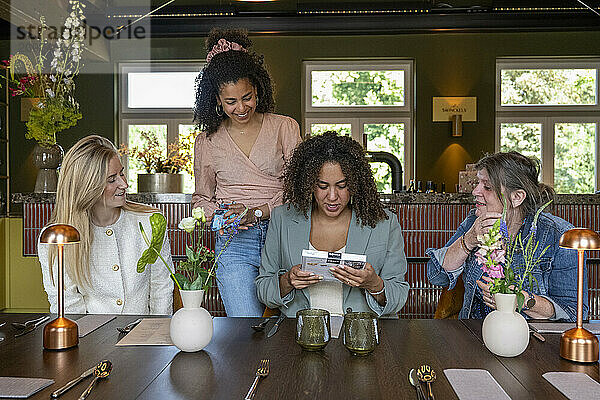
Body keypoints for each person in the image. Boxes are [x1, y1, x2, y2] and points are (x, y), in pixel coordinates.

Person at [192, 28, 301, 317]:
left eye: (247, 97)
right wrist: (219, 216)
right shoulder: (207, 141)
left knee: (292, 327)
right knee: (244, 328)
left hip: (284, 236)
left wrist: (258, 212)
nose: (241, 107)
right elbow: (202, 199)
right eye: (230, 102)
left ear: (258, 90)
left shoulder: (284, 128)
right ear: (216, 100)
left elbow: (300, 190)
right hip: (234, 242)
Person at [256, 131, 409, 317]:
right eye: (322, 186)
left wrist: (374, 284)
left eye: (342, 185)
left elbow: (399, 296)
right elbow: (263, 290)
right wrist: (287, 281)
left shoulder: (384, 223)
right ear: (309, 183)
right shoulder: (282, 219)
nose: (332, 196)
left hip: (363, 335)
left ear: (354, 183)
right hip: (300, 334)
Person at [427, 151, 582, 321]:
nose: (475, 191)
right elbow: (437, 276)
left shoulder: (560, 236)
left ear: (517, 197)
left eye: (487, 187)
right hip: (475, 334)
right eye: (478, 183)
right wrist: (469, 239)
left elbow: (572, 312)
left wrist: (521, 300)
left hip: (531, 341)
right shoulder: (474, 221)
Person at [38, 135, 174, 314]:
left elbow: (161, 289)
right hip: (89, 338)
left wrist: (157, 334)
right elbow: (67, 307)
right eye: (112, 179)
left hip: (143, 337)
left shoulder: (150, 221)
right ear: (87, 186)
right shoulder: (57, 237)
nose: (124, 184)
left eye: (122, 173)